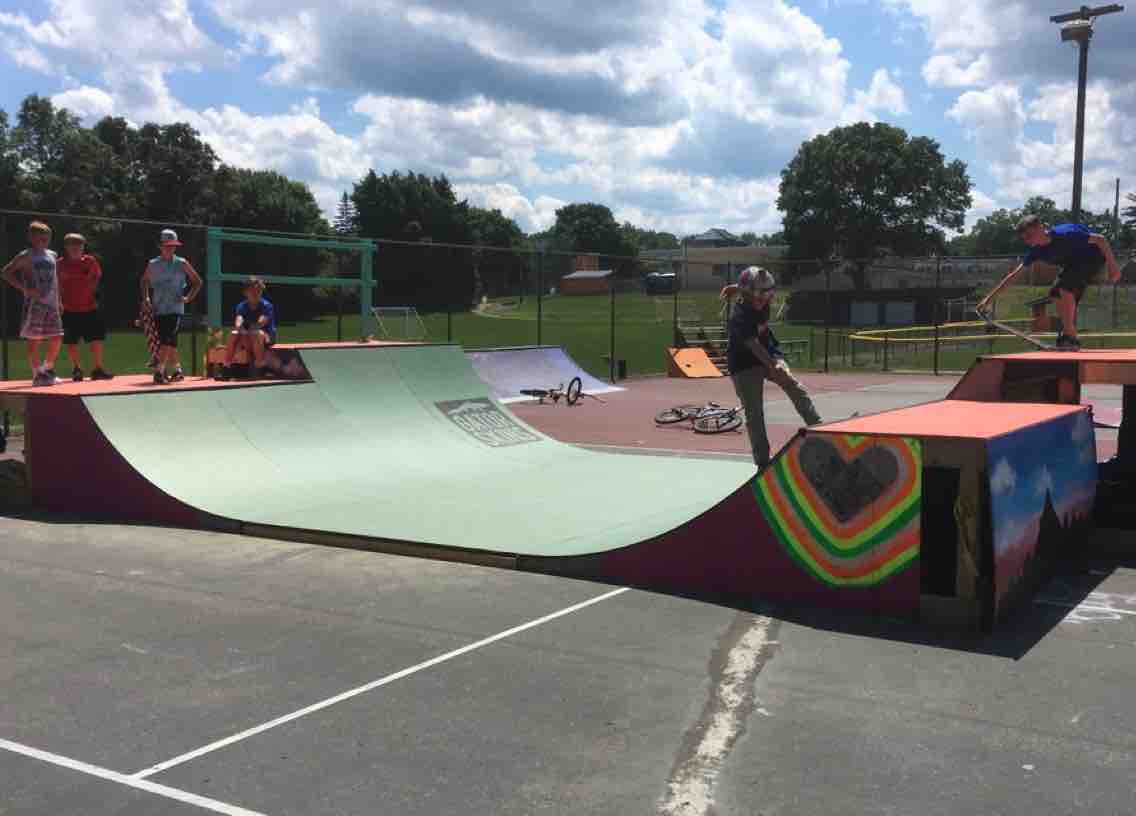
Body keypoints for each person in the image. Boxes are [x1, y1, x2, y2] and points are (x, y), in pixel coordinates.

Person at [721, 266, 821, 468]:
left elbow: (754, 287)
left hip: (767, 351)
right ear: (748, 295)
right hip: (744, 364)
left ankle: (819, 428)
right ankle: (762, 462)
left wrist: (735, 287)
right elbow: (753, 345)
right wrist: (774, 366)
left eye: (765, 298)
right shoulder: (739, 315)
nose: (762, 302)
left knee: (793, 385)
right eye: (758, 299)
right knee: (754, 414)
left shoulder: (760, 295)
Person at [980, 215, 1122, 351]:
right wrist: (988, 299)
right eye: (1024, 238)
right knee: (1055, 293)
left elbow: (1101, 240)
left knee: (1065, 288)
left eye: (1029, 235)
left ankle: (1070, 335)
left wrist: (1113, 267)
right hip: (1073, 265)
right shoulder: (1036, 251)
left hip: (1093, 257)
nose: (1028, 241)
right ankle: (1069, 334)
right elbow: (1013, 276)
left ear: (1040, 228)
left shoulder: (1066, 234)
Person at [1, 221, 64, 386]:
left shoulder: (52, 255)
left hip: (51, 304)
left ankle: (47, 369)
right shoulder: (26, 255)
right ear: (31, 238)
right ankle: (37, 375)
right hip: (35, 304)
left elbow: (55, 279)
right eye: (40, 238)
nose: (44, 241)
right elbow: (6, 273)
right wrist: (25, 289)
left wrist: (59, 300)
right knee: (34, 340)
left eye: (47, 238)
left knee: (57, 337)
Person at [140, 229, 202, 385]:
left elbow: (197, 282)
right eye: (167, 245)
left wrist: (187, 298)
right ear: (160, 246)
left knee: (167, 341)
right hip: (158, 309)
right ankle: (177, 371)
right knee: (169, 343)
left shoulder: (182, 263)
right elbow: (144, 281)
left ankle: (159, 372)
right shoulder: (152, 264)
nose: (170, 248)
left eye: (173, 246)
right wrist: (146, 297)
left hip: (175, 309)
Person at [58, 233, 113, 381]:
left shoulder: (90, 261)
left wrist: (93, 293)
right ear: (66, 247)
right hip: (68, 309)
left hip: (90, 307)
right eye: (72, 245)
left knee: (96, 339)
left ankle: (97, 369)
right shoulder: (59, 264)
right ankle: (76, 369)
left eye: (79, 245)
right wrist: (59, 302)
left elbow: (97, 277)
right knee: (70, 341)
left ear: (83, 247)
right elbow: (56, 285)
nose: (76, 248)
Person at [219, 277, 276, 379]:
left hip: (266, 337)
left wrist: (246, 332)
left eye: (259, 290)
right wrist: (241, 330)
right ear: (245, 292)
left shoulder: (267, 306)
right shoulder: (241, 306)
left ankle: (261, 367)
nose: (256, 293)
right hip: (249, 335)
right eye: (252, 290)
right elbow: (238, 322)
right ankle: (226, 367)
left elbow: (260, 323)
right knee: (233, 334)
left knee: (256, 333)